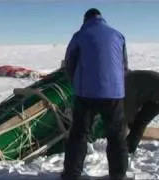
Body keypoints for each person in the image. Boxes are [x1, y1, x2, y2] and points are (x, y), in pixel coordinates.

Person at [62, 8, 129, 180]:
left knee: (79, 134)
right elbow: (124, 66)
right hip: (114, 94)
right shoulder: (118, 35)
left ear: (85, 20)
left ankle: (71, 175)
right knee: (116, 136)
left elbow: (69, 63)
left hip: (86, 94)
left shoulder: (79, 36)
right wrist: (116, 86)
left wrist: (76, 84)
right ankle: (118, 175)